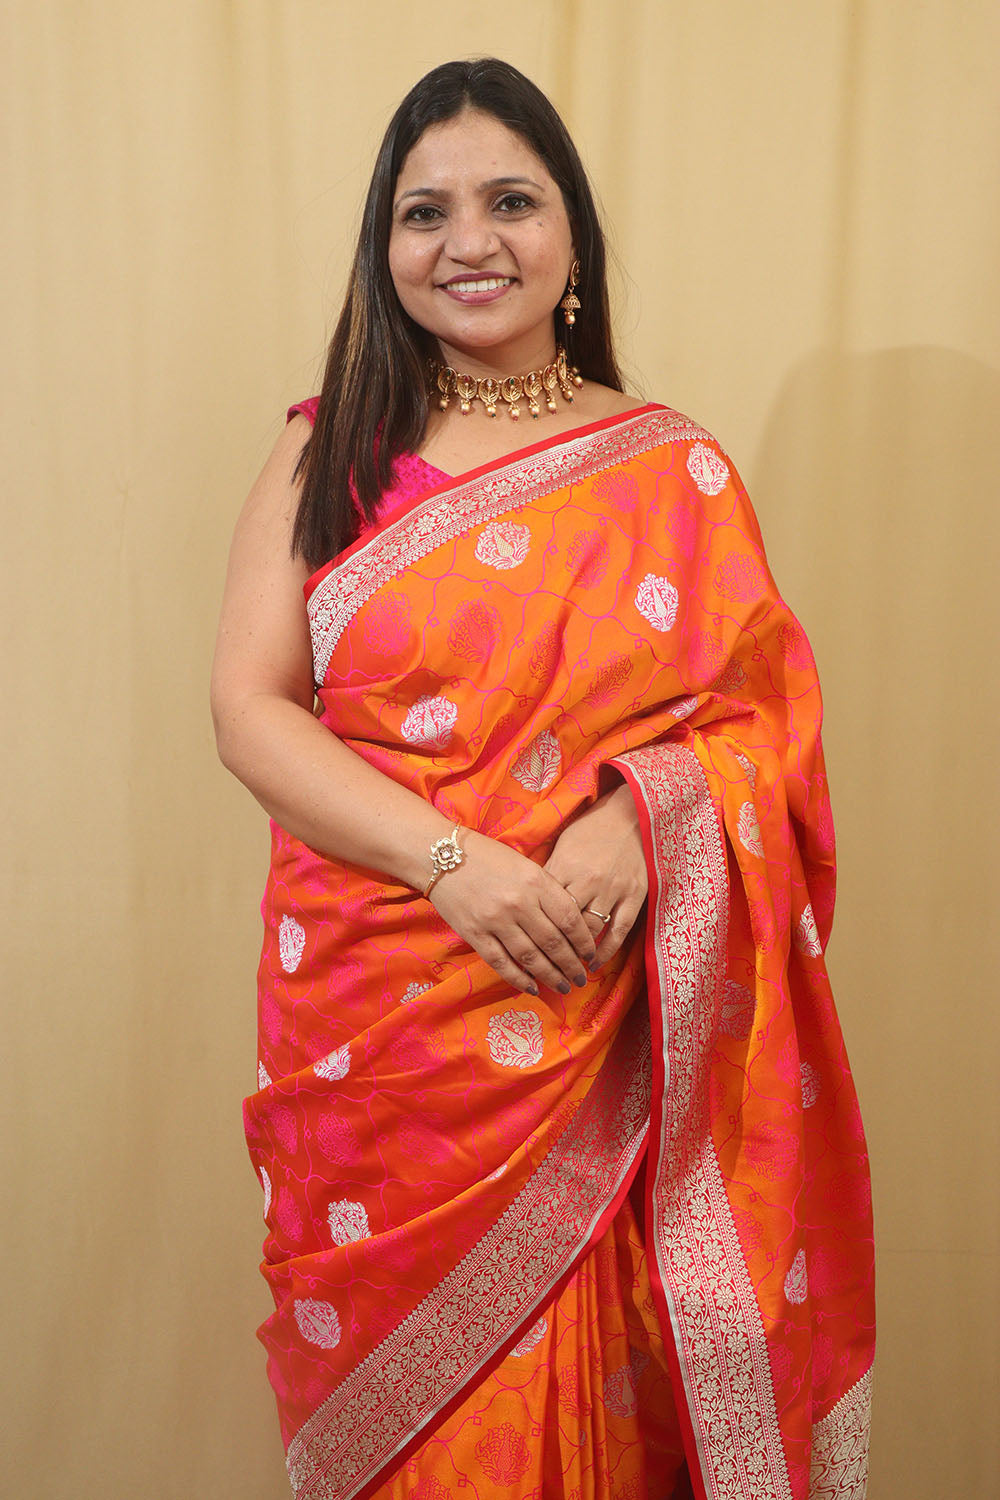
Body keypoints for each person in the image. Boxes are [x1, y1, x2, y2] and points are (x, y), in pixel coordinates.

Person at [211, 57, 874, 1500]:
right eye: (424, 212)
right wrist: (463, 868)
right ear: (382, 253)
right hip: (385, 1033)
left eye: (512, 201)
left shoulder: (670, 471)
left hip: (606, 1025)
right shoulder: (332, 448)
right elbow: (252, 712)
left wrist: (655, 823)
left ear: (571, 238)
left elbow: (764, 728)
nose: (469, 242)